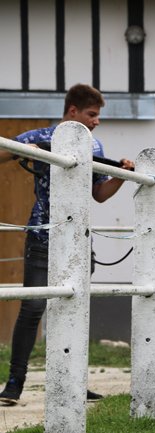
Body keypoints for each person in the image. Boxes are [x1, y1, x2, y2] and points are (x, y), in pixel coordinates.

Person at [0, 84, 135, 405]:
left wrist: (121, 176)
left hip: (78, 241)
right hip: (42, 238)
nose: (97, 121)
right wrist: (28, 149)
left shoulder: (94, 144)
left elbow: (99, 194)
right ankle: (15, 384)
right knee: (33, 308)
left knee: (74, 308)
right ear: (73, 111)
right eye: (92, 114)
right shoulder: (39, 136)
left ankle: (73, 380)